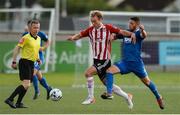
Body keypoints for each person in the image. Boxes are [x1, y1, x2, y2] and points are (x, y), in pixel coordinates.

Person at [68, 10, 135, 108]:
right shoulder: (90, 30)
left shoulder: (108, 28)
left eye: (95, 21)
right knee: (109, 85)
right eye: (92, 21)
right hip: (96, 60)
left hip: (105, 60)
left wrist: (131, 34)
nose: (93, 23)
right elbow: (80, 35)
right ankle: (127, 96)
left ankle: (91, 98)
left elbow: (121, 32)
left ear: (100, 19)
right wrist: (73, 38)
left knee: (88, 73)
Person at [101, 17, 165, 109]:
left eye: (131, 23)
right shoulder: (125, 33)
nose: (129, 24)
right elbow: (115, 36)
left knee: (147, 82)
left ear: (136, 25)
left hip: (137, 64)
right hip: (125, 63)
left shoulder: (138, 33)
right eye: (129, 23)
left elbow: (144, 35)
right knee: (109, 71)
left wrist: (143, 30)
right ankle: (109, 93)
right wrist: (110, 37)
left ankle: (158, 97)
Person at [4, 20, 41, 108]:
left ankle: (18, 103)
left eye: (38, 28)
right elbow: (17, 48)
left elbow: (36, 50)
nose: (36, 29)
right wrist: (14, 61)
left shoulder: (39, 38)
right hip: (25, 62)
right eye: (34, 27)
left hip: (32, 63)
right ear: (30, 28)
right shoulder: (26, 37)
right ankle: (9, 99)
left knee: (27, 85)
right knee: (26, 84)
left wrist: (38, 59)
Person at [23, 20, 52, 100]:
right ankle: (48, 88)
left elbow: (48, 40)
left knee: (32, 74)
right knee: (39, 77)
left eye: (36, 27)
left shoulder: (40, 34)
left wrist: (43, 48)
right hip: (30, 58)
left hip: (39, 57)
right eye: (30, 27)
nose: (33, 29)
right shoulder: (25, 35)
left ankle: (37, 91)